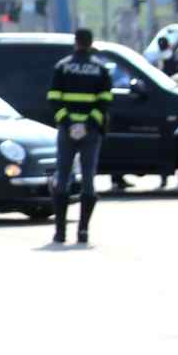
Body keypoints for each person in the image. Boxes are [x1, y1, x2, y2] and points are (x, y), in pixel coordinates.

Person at [46, 28, 112, 244]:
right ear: (91, 43)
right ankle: (83, 232)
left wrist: (68, 123)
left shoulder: (62, 66)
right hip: (91, 132)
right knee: (88, 179)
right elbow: (105, 102)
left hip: (67, 131)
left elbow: (54, 98)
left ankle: (60, 232)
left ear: (76, 43)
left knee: (62, 177)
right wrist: (87, 124)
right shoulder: (101, 69)